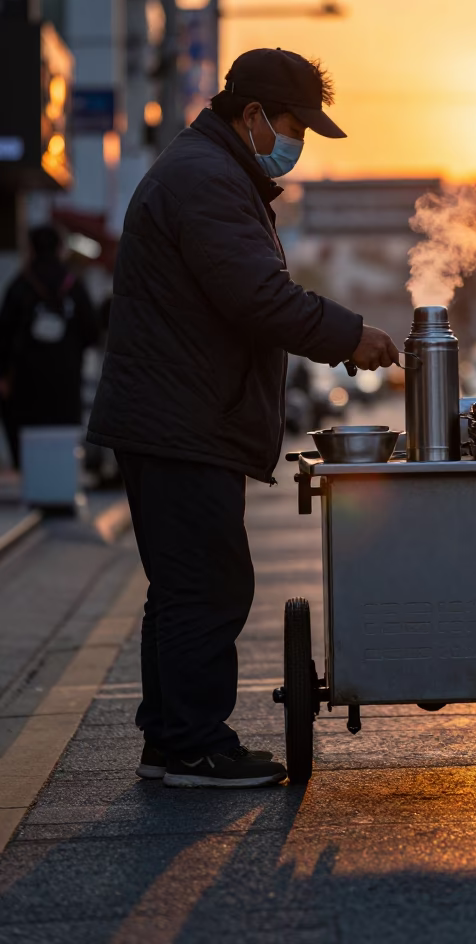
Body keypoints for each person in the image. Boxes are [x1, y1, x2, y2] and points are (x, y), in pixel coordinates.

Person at [87, 48, 399, 789]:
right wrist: (350, 335)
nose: (297, 145)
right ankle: (196, 745)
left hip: (178, 414)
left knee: (182, 585)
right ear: (253, 115)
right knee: (209, 583)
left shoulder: (215, 173)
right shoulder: (207, 180)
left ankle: (170, 740)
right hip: (181, 416)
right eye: (294, 126)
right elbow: (256, 297)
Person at [0, 225, 98, 469]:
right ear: (60, 249)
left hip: (27, 383)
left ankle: (34, 482)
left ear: (31, 249)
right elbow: (91, 332)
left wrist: (4, 374)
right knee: (63, 438)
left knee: (30, 438)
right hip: (66, 379)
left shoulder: (20, 285)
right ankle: (61, 485)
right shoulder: (73, 286)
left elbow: (3, 334)